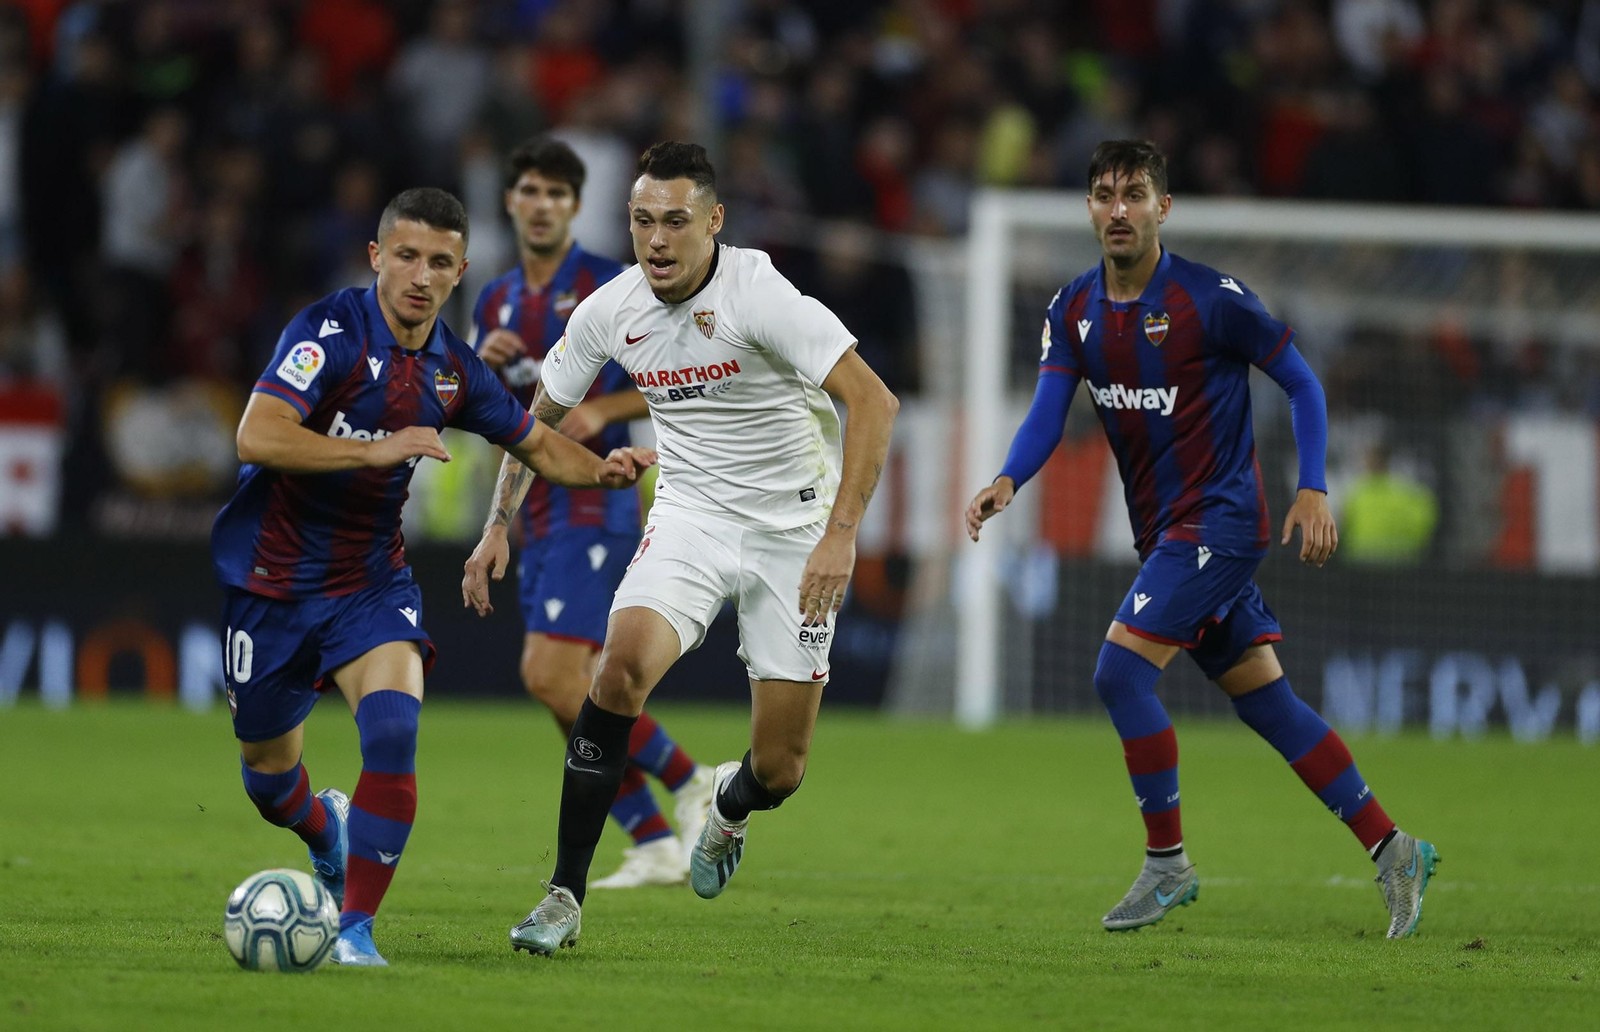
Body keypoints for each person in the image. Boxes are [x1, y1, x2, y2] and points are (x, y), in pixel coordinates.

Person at [964, 140, 1439, 939]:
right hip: (1167, 535)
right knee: (1269, 704)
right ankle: (1395, 849)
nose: (1118, 209)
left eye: (1135, 194)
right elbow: (1049, 410)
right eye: (1104, 194)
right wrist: (1010, 478)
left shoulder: (1210, 300)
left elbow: (1302, 382)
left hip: (1219, 522)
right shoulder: (1072, 310)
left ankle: (1167, 863)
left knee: (1119, 674)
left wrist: (1314, 485)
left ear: (1163, 209)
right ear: (1089, 208)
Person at [461, 142, 899, 956]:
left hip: (794, 532)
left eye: (674, 221)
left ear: (714, 223)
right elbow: (532, 422)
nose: (656, 240)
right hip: (691, 517)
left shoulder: (759, 292)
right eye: (641, 221)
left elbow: (873, 402)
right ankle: (563, 893)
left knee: (781, 768)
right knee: (616, 669)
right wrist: (497, 526)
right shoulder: (609, 308)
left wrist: (840, 537)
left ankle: (727, 805)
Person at [211, 187, 653, 967]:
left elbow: (537, 445)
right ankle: (325, 830)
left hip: (369, 585)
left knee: (392, 731)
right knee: (268, 782)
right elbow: (258, 435)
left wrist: (606, 472)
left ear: (460, 273)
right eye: (407, 256)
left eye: (440, 262)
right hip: (271, 584)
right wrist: (373, 450)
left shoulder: (451, 370)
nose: (421, 275)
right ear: (377, 256)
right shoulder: (327, 332)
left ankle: (353, 933)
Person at [467, 137, 713, 889]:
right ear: (510, 202)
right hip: (534, 510)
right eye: (529, 191)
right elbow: (490, 411)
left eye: (556, 194)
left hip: (594, 499)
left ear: (576, 207)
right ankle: (653, 835)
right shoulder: (495, 300)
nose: (541, 205)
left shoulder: (616, 282)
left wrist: (601, 403)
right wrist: (481, 363)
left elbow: (685, 371)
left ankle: (686, 780)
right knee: (562, 684)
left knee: (550, 673)